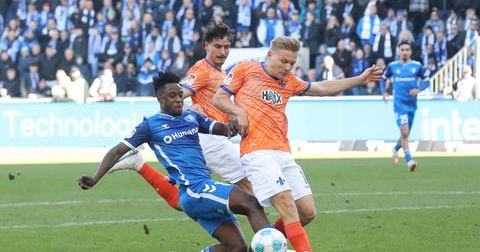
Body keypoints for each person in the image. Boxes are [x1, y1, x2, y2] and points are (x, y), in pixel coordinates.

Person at [212, 36, 384, 252]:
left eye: (292, 63)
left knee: (307, 212)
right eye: (284, 61)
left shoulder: (290, 81)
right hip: (256, 152)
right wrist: (239, 112)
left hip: (283, 152)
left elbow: (321, 87)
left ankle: (267, 247)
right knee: (286, 203)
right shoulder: (245, 69)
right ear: (269, 55)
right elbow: (219, 98)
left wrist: (359, 79)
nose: (288, 67)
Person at [78, 72, 271, 252]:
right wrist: (95, 178)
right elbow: (117, 151)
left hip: (201, 190)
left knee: (237, 248)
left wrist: (232, 125)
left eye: (180, 94)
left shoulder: (191, 117)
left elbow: (222, 129)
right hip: (194, 190)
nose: (179, 99)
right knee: (251, 203)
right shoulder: (150, 125)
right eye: (172, 96)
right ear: (160, 99)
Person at [109, 22, 252, 212]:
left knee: (184, 201)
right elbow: (177, 94)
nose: (223, 52)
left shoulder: (220, 72)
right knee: (251, 190)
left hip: (206, 140)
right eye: (218, 46)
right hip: (211, 140)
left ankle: (139, 165)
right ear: (206, 46)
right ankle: (269, 236)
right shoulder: (202, 69)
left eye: (226, 47)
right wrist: (189, 109)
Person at [380, 41, 431, 172]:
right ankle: (409, 161)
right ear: (399, 51)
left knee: (405, 135)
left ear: (411, 52)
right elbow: (383, 79)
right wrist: (384, 92)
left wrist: (418, 89)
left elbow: (427, 80)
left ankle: (395, 149)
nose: (405, 52)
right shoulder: (393, 66)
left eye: (407, 49)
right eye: (402, 49)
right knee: (405, 132)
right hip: (399, 105)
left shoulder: (417, 66)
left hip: (412, 105)